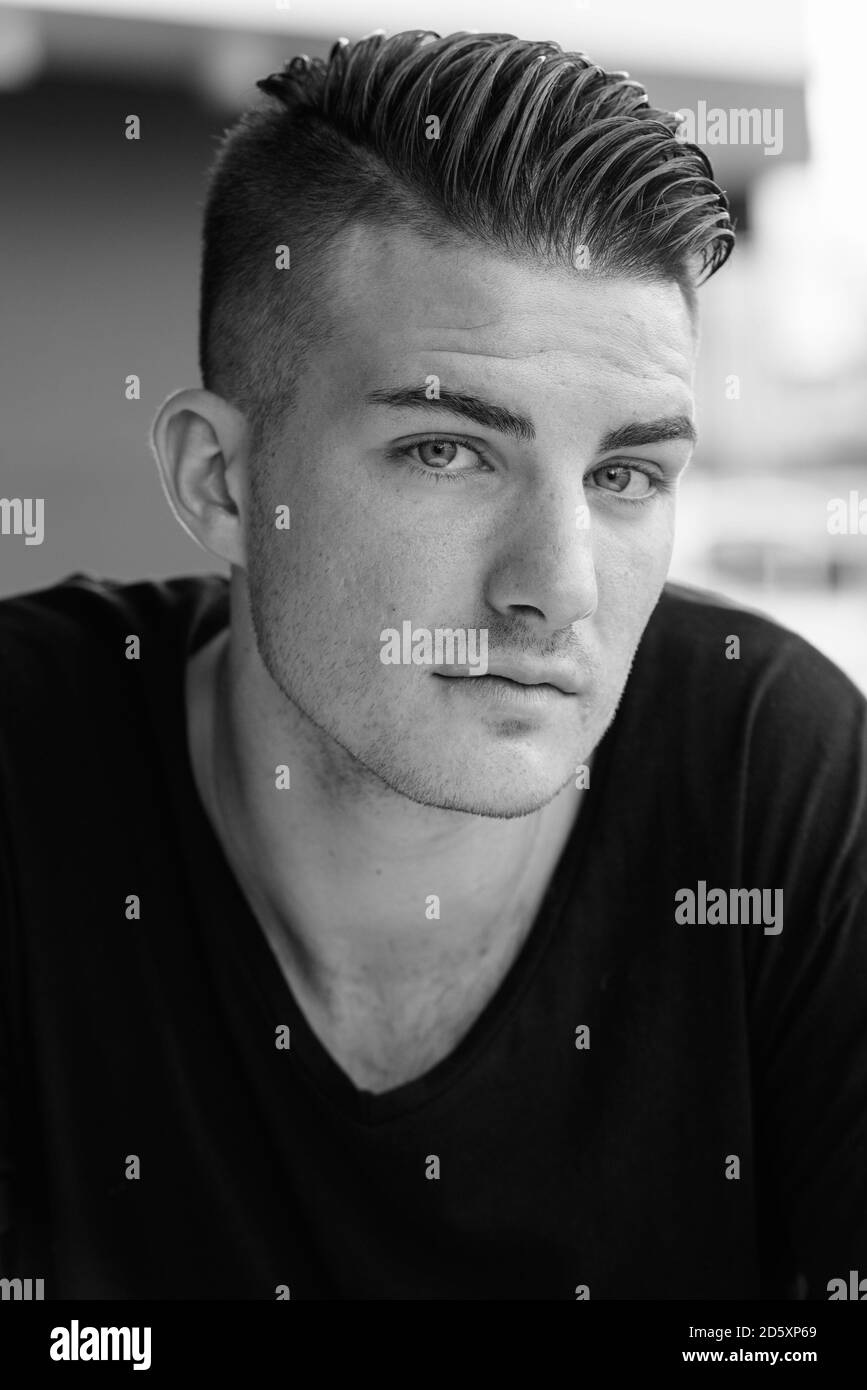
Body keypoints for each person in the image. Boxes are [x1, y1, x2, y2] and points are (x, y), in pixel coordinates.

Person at [1, 28, 865, 1302]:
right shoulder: (27, 768)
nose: (557, 589)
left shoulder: (770, 783)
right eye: (448, 452)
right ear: (221, 483)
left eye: (625, 476)